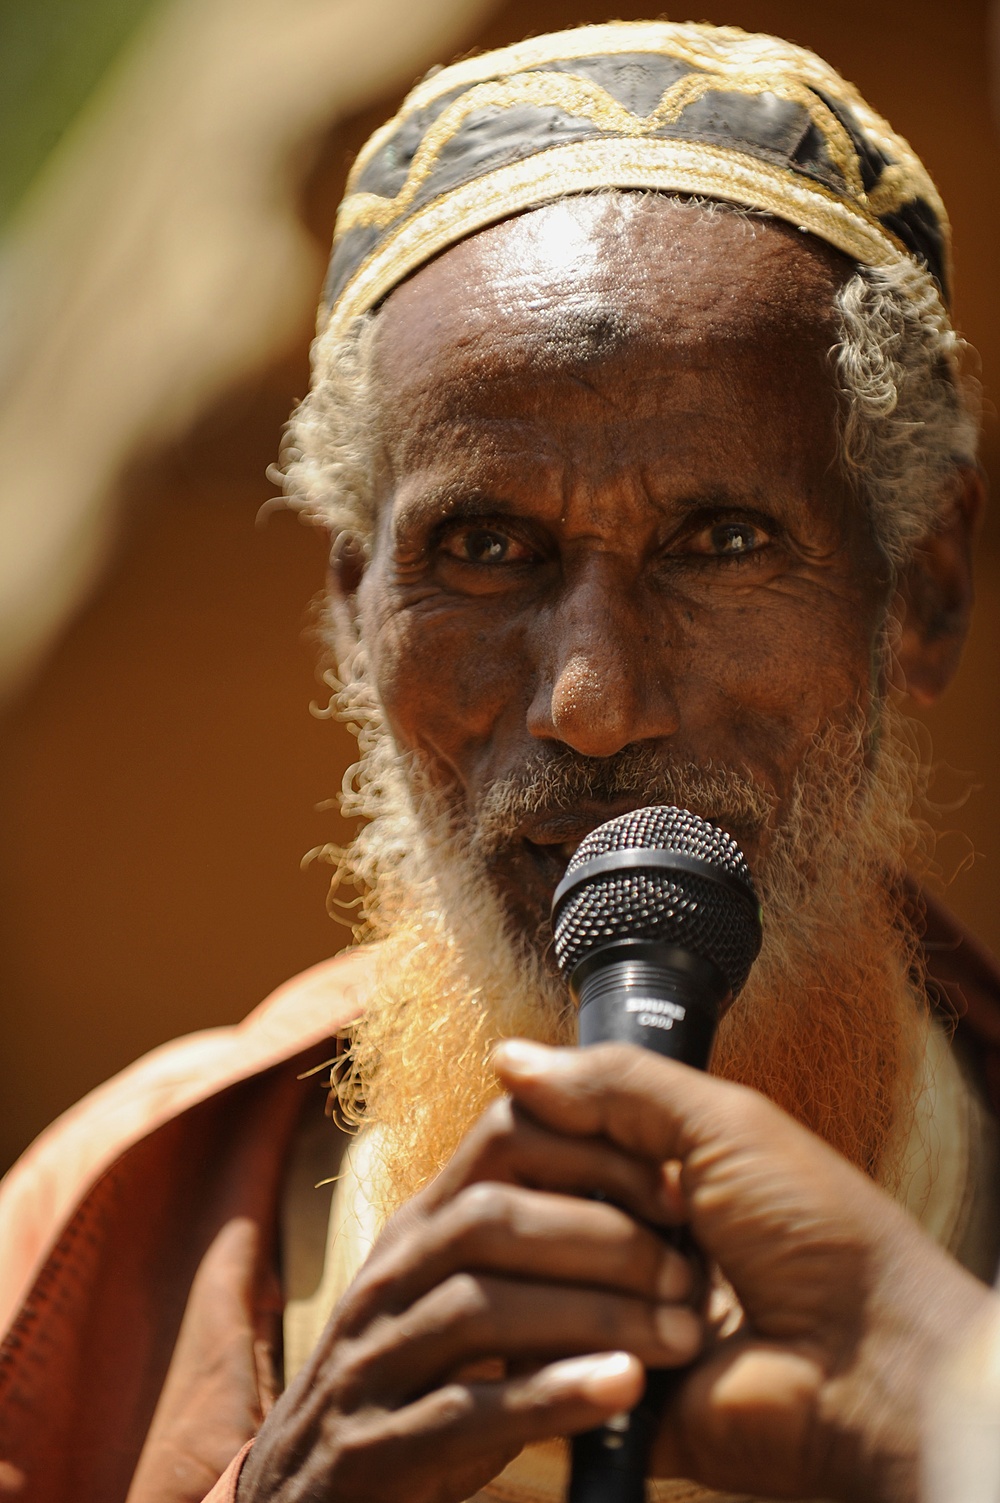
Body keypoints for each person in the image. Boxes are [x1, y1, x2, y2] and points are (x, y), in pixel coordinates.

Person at [0, 19, 997, 1503]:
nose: (591, 702)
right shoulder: (90, 1245)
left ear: (916, 595)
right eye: (483, 549)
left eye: (720, 542)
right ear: (354, 614)